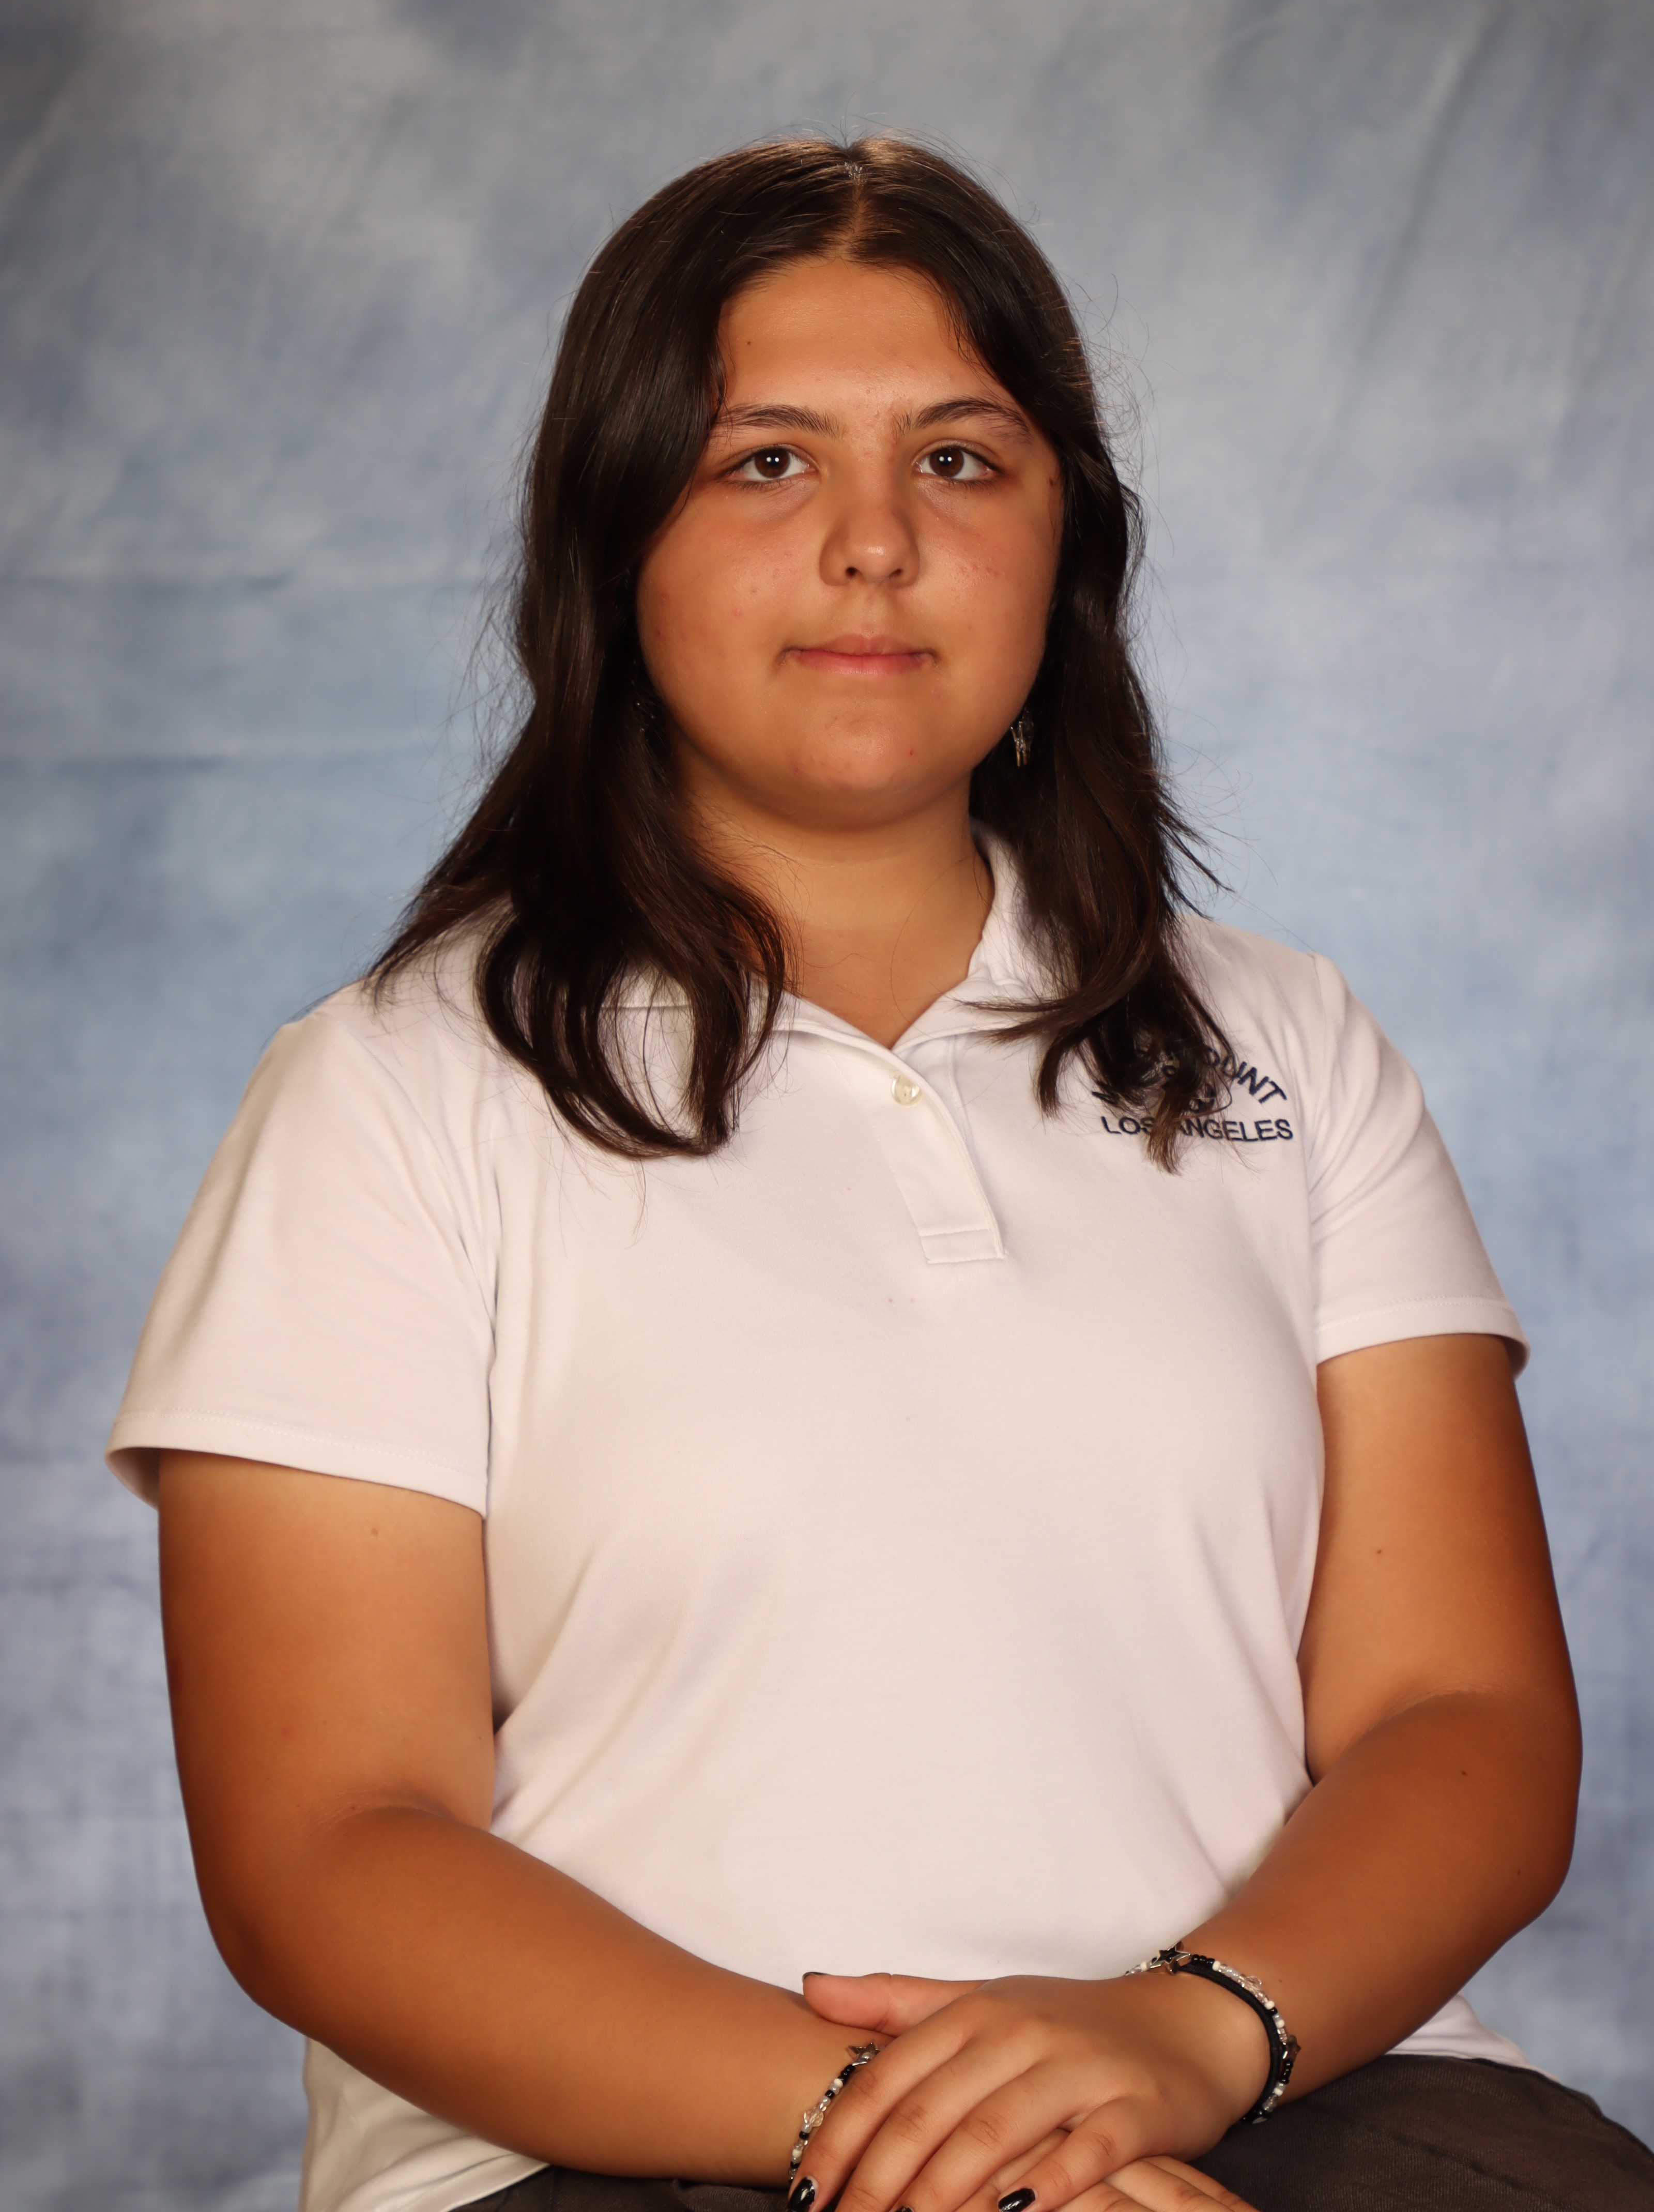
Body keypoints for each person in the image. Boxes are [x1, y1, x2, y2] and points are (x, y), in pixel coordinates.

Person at [108, 136, 1653, 2212]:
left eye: (958, 460)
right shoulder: (391, 1096)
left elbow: (1460, 1712)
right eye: (764, 463)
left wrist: (1185, 2032)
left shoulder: (1288, 1044)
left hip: (1282, 2081)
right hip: (626, 2145)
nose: (872, 545)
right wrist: (936, 2143)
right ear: (612, 535)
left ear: (1063, 540)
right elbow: (329, 1849)